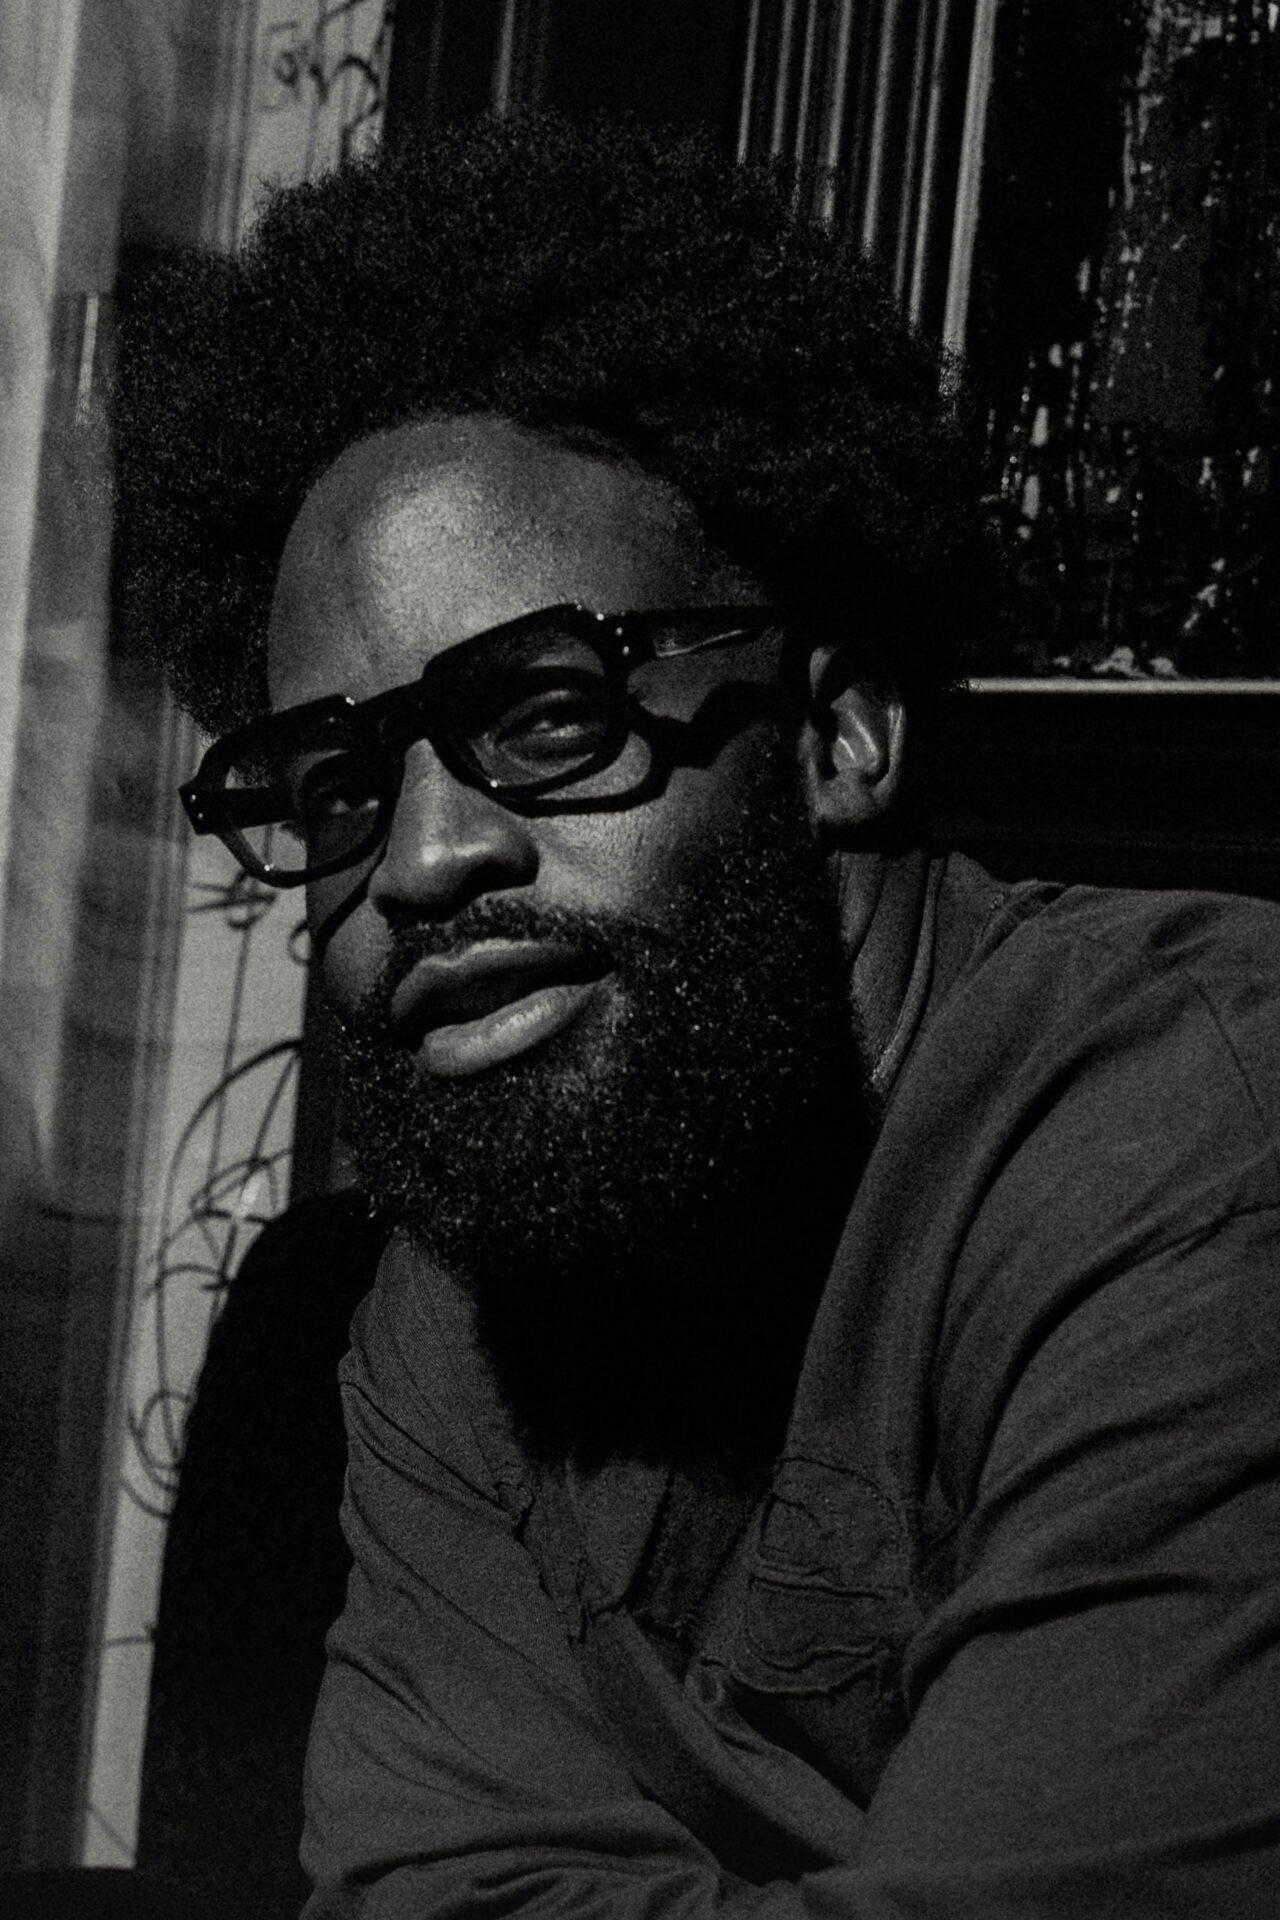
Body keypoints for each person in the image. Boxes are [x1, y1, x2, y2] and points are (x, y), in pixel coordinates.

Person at [116, 114, 1280, 1918]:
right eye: (336, 785)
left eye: (549, 716)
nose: (419, 859)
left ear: (837, 739)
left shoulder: (1200, 1132)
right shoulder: (464, 1291)